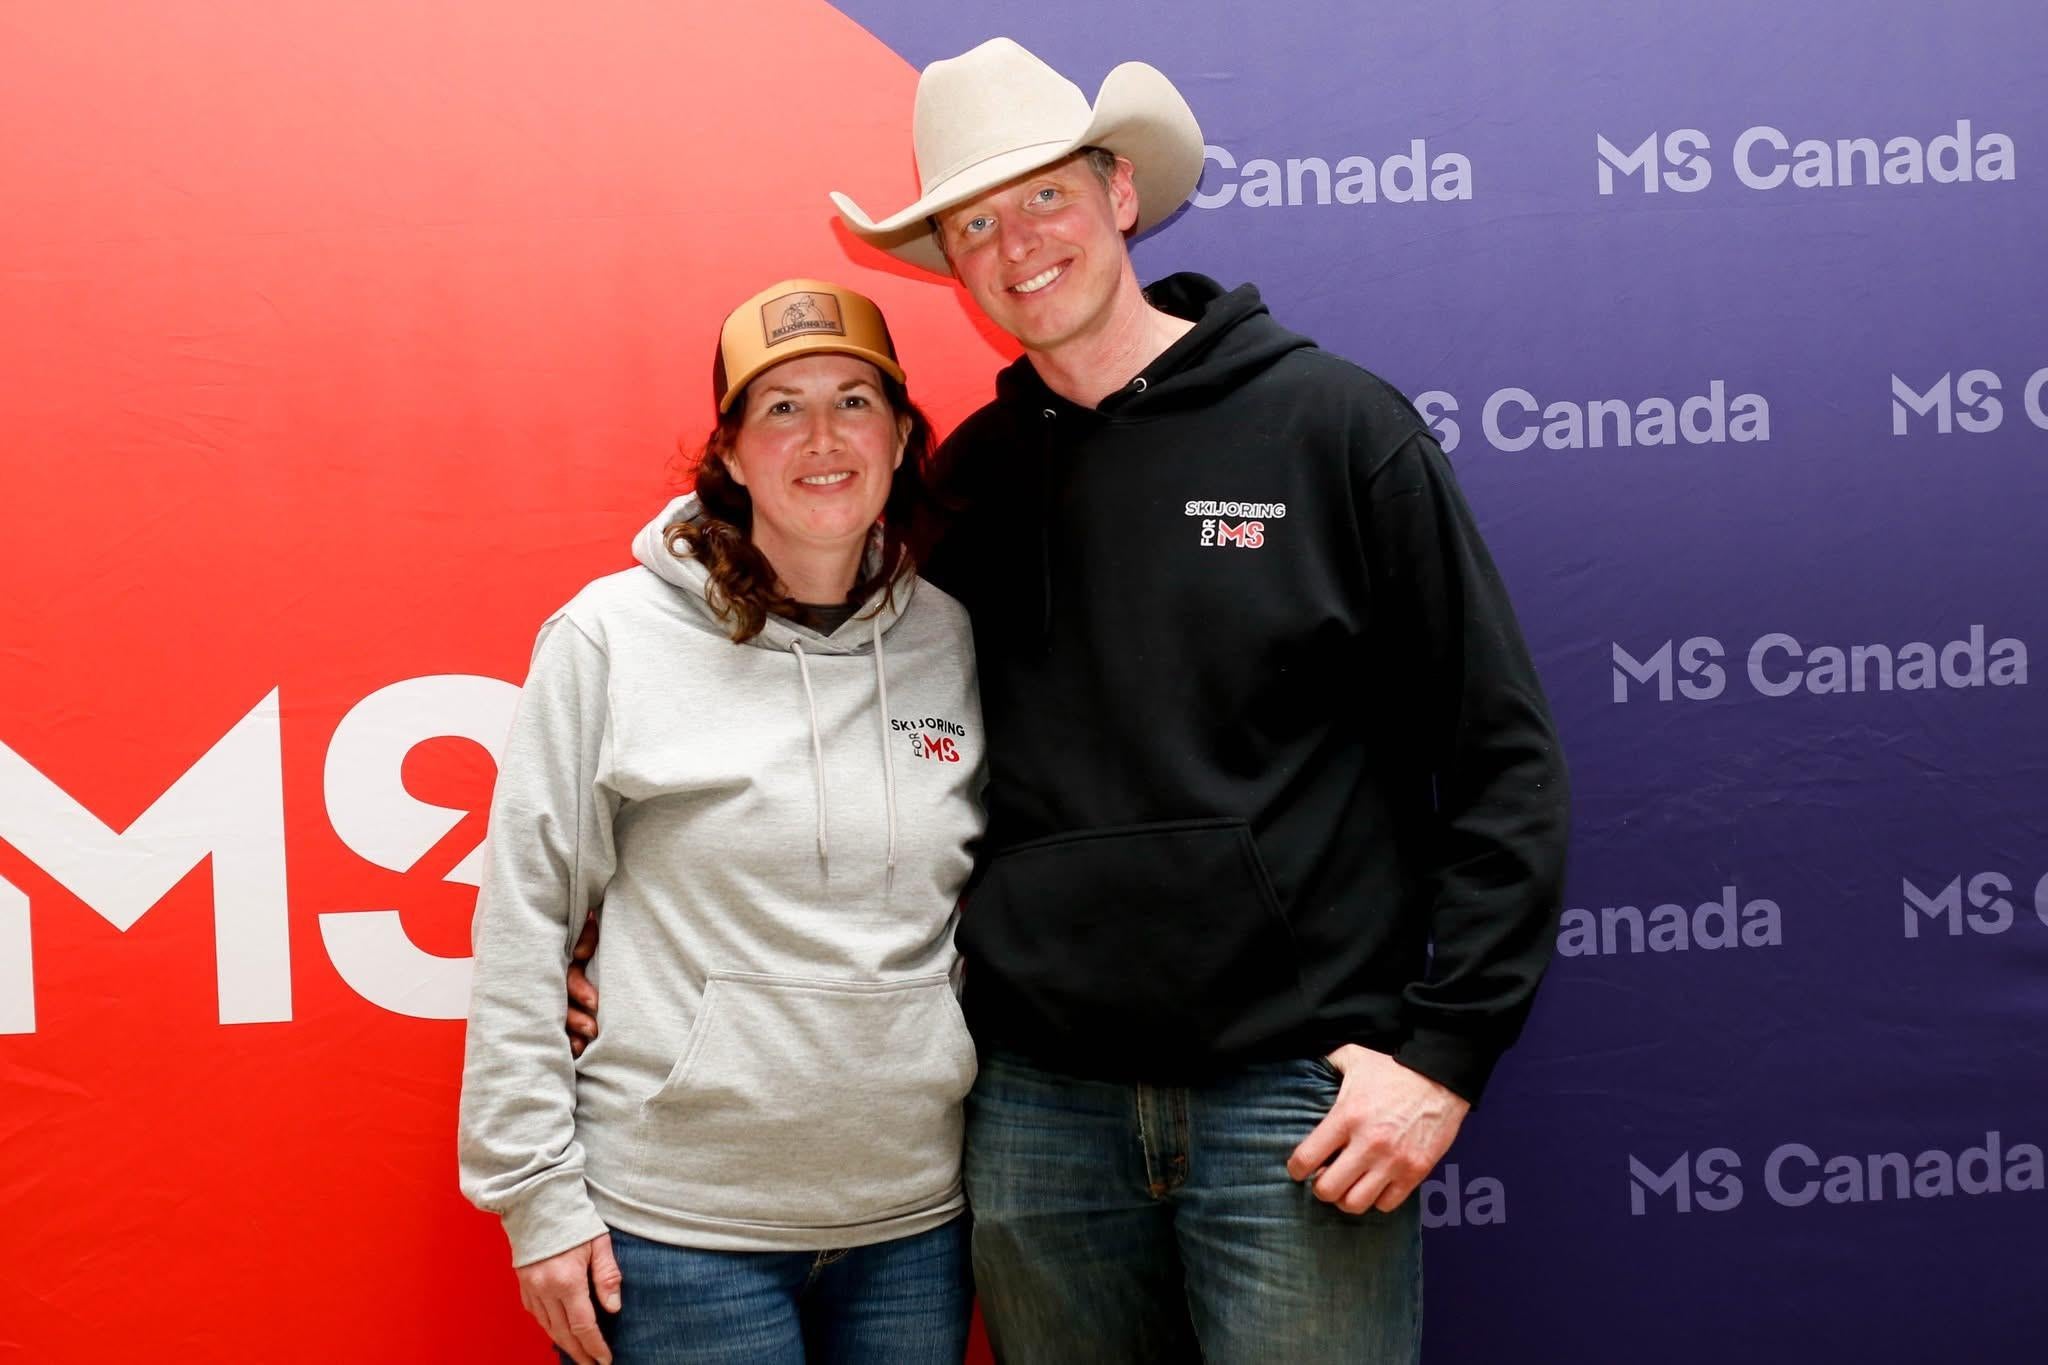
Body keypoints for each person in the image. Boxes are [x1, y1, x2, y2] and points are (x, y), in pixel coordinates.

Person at [573, 36, 1570, 1364]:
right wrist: (628, 948)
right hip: (1035, 1116)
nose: (1017, 243)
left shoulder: (1331, 428)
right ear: (951, 263)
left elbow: (1502, 760)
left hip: (1294, 1102)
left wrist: (1443, 1056)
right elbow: (811, 722)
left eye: (1044, 194)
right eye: (974, 223)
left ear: (1120, 191)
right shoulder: (964, 494)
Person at [460, 277, 985, 1365]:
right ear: (732, 454)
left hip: (913, 1226)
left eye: (853, 400)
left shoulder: (948, 637)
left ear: (899, 438)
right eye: (781, 407)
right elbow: (524, 918)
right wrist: (536, 1199)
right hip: (675, 1233)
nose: (822, 436)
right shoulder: (610, 636)